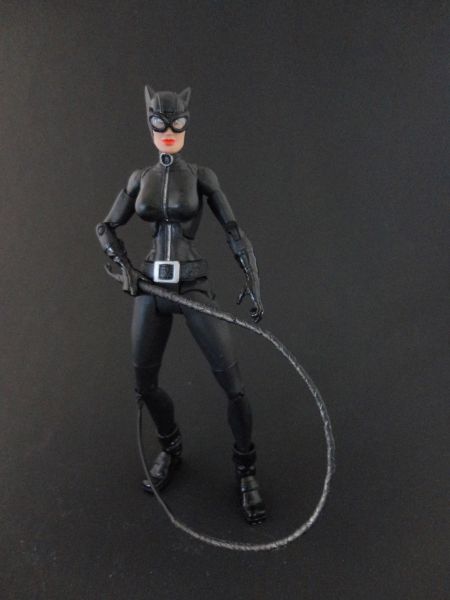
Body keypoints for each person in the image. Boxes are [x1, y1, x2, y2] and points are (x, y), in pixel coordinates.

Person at [96, 86, 266, 524]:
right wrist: (125, 266)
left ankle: (246, 468)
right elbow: (106, 226)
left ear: (187, 122)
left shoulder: (201, 176)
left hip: (192, 287)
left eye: (177, 122)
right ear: (149, 123)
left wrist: (252, 279)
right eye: (159, 122)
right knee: (144, 384)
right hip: (151, 287)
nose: (168, 130)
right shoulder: (139, 178)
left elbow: (233, 229)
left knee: (233, 385)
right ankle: (170, 447)